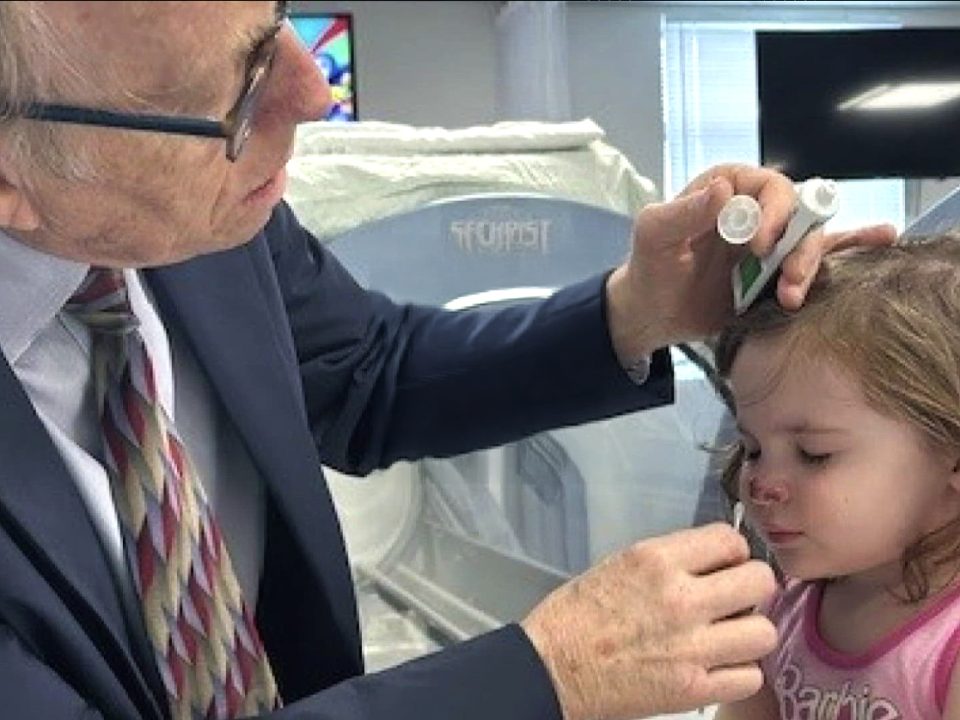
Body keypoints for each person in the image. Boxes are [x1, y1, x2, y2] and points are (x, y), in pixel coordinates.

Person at [0, 2, 896, 719]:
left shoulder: (208, 220)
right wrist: (544, 678)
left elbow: (367, 373)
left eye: (275, 25)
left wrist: (637, 309)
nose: (313, 95)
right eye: (233, 95)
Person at [713, 234, 960, 720]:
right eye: (753, 448)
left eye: (814, 454)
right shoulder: (784, 612)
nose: (761, 483)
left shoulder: (947, 646)